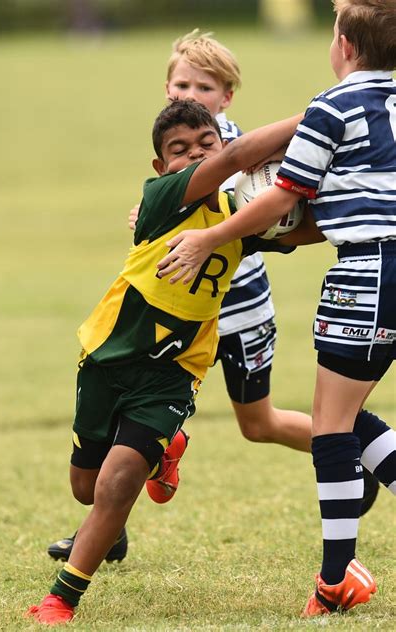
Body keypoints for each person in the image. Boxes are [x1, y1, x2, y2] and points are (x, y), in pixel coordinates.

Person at [47, 28, 379, 564]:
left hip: (241, 311)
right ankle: (109, 526)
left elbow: (268, 217)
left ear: (226, 96)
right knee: (134, 431)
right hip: (178, 324)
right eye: (181, 84)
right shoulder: (177, 143)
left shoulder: (242, 153)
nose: (189, 96)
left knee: (259, 424)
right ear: (166, 87)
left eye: (203, 88)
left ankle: (350, 455)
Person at [26, 99, 307, 624]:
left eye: (207, 145)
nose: (196, 156)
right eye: (180, 151)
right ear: (160, 168)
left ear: (221, 145)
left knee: (118, 483)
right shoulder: (161, 197)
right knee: (86, 488)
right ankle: (165, 451)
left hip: (175, 370)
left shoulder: (239, 214)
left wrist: (318, 195)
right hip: (108, 356)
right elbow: (239, 155)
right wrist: (318, 114)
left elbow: (300, 229)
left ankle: (59, 601)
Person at [156, 2, 396, 617]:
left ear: (343, 44)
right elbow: (341, 204)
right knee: (333, 422)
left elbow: (287, 194)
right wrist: (292, 232)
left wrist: (214, 235)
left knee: (333, 427)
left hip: (371, 273)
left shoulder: (332, 107)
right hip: (372, 259)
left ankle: (334, 581)